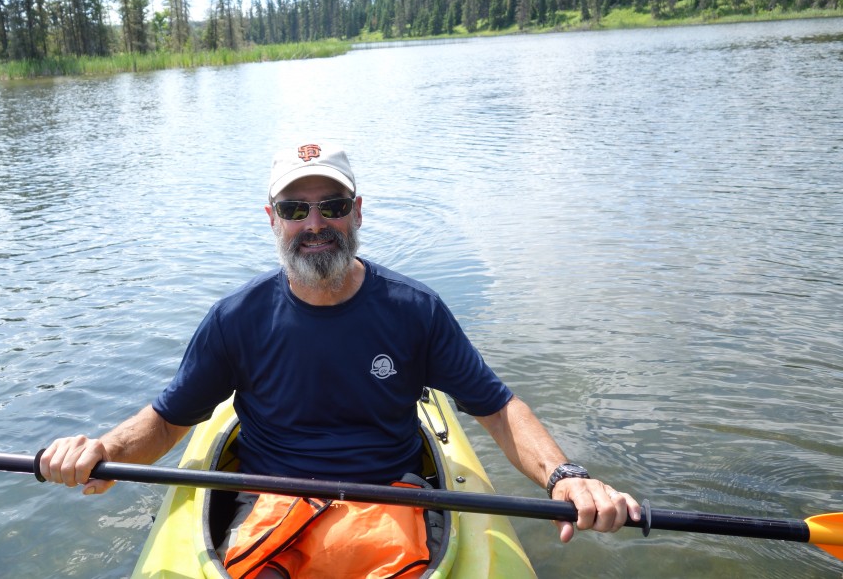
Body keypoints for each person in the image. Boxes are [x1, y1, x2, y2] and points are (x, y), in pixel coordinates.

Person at [40, 142, 641, 577]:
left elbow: (497, 408)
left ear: (357, 211)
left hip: (392, 499)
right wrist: (105, 451)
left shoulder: (415, 310)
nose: (316, 223)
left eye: (331, 204)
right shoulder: (236, 319)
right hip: (270, 501)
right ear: (272, 220)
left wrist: (568, 477)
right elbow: (171, 419)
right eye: (296, 210)